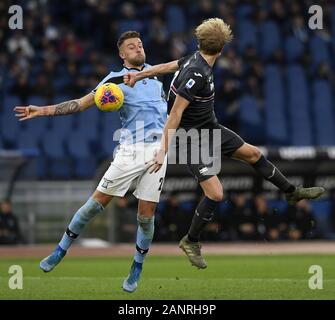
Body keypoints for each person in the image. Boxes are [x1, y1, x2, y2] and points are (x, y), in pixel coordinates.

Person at [124, 18, 325, 269]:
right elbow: (174, 115)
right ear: (222, 49)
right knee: (216, 193)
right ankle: (191, 241)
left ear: (200, 43)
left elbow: (167, 66)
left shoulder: (193, 60)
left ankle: (291, 192)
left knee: (252, 154)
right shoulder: (196, 74)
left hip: (211, 129)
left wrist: (141, 73)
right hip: (192, 139)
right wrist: (162, 151)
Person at [14, 31, 169, 293]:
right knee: (95, 205)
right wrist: (42, 110)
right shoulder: (114, 81)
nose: (138, 49)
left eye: (140, 45)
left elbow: (179, 69)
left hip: (159, 151)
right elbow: (80, 104)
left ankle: (137, 265)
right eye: (131, 47)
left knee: (146, 216)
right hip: (131, 149)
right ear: (122, 55)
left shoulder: (156, 74)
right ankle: (60, 249)